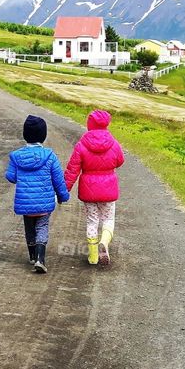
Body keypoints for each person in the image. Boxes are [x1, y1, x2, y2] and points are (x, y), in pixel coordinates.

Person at [6, 115, 69, 274]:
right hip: (44, 203)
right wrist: (63, 196)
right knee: (42, 226)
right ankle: (41, 258)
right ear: (43, 135)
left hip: (25, 202)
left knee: (29, 228)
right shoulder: (49, 156)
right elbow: (58, 179)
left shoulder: (16, 156)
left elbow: (11, 177)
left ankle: (32, 256)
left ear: (25, 134)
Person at [64, 109, 124, 267]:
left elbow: (72, 169)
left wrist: (64, 190)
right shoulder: (114, 143)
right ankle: (104, 242)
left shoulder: (81, 145)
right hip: (109, 190)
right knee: (108, 219)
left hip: (89, 190)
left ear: (89, 124)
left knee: (92, 221)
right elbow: (120, 161)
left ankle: (93, 257)